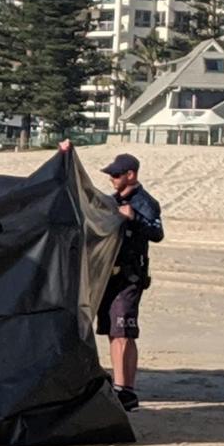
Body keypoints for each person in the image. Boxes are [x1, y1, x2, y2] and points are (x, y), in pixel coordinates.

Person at [97, 153, 163, 412]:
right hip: (111, 275)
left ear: (131, 175)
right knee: (114, 332)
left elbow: (157, 232)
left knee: (124, 331)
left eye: (116, 174)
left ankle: (126, 389)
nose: (112, 179)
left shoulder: (144, 202)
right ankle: (119, 386)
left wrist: (133, 217)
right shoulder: (113, 201)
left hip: (130, 276)